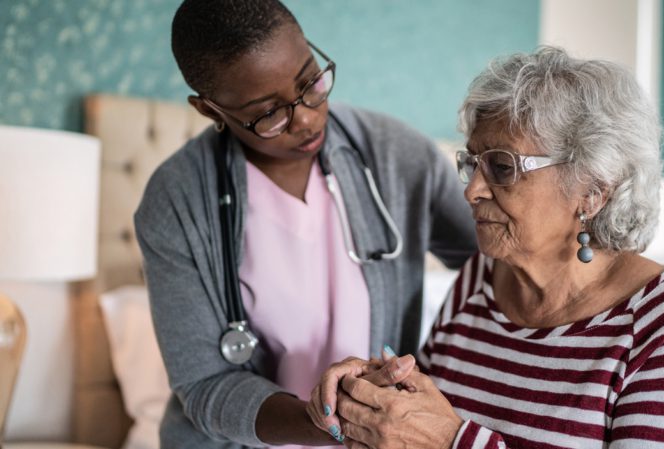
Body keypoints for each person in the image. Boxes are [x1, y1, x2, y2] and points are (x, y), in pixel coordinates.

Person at [307, 47, 664, 449]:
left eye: (501, 166)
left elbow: (441, 436)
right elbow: (426, 420)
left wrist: (452, 442)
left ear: (592, 191)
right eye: (472, 163)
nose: (472, 190)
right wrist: (379, 397)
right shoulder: (481, 278)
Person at [133, 1, 477, 448]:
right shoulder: (176, 202)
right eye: (269, 113)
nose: (308, 118)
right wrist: (333, 423)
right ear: (211, 110)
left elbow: (499, 261)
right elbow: (205, 384)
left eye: (310, 81)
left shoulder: (396, 155)